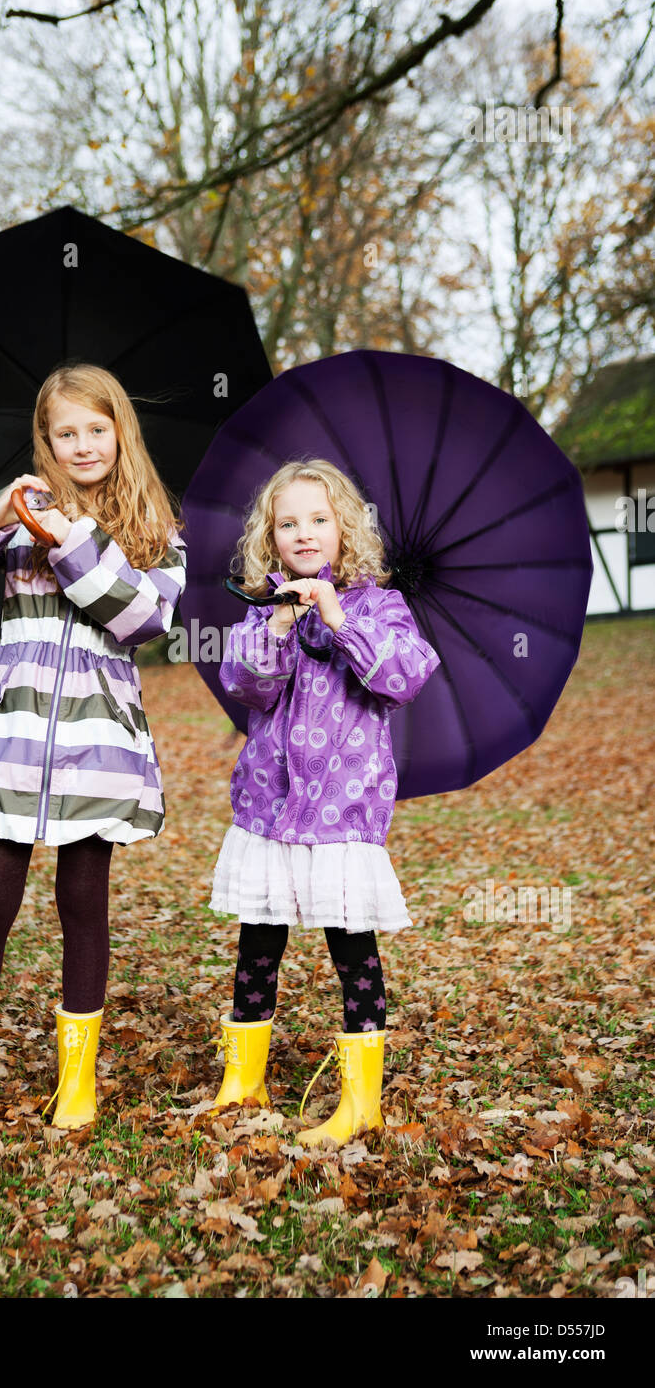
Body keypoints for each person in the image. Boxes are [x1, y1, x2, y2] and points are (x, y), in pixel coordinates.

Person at [0, 363, 186, 1130]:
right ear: (47, 440)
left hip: (101, 744)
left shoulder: (158, 532)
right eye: (68, 433)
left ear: (121, 431)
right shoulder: (21, 513)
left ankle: (78, 1083)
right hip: (14, 734)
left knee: (81, 903)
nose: (84, 444)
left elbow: (143, 622)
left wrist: (75, 545)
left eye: (98, 429)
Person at [208, 459, 440, 1146]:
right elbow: (247, 689)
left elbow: (402, 677)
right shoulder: (264, 613)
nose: (304, 534)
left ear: (344, 529)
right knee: (259, 939)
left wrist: (340, 621)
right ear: (270, 538)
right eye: (288, 523)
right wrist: (280, 626)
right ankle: (242, 1079)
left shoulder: (378, 606)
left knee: (351, 944)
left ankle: (359, 1100)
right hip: (271, 804)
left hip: (344, 810)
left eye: (318, 520)